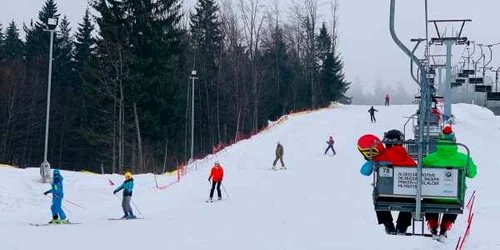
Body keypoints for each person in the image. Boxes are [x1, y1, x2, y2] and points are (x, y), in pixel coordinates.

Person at [423, 125, 477, 238]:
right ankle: (444, 228)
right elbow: (472, 174)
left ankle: (432, 225)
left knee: (430, 194)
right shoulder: (463, 158)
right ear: (454, 141)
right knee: (454, 198)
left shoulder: (429, 158)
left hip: (432, 196)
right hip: (454, 197)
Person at [359, 130, 416, 235]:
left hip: (385, 195)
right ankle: (402, 226)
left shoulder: (379, 157)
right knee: (412, 199)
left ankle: (388, 224)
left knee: (377, 195)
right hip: (405, 196)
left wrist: (371, 160)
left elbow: (364, 172)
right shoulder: (408, 160)